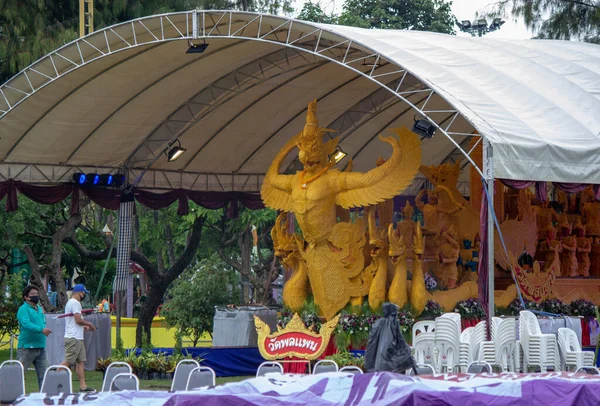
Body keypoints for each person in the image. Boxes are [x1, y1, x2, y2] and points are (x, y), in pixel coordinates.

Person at [61, 284, 96, 392]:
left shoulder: (71, 303)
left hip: (77, 337)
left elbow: (75, 322)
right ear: (78, 292)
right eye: (83, 293)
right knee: (68, 361)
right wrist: (89, 324)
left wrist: (84, 327)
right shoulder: (75, 303)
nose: (84, 295)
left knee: (80, 361)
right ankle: (53, 380)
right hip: (73, 338)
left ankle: (83, 387)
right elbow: (78, 320)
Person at [364, 303, 416, 374]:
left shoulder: (378, 323)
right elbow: (399, 340)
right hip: (388, 362)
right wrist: (407, 350)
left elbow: (371, 343)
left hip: (376, 363)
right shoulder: (392, 322)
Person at [16, 286, 51, 390]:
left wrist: (43, 329)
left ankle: (44, 399)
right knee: (18, 374)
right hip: (26, 348)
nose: (36, 296)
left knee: (45, 375)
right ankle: (9, 397)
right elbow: (26, 324)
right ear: (26, 297)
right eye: (33, 294)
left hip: (40, 347)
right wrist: (41, 329)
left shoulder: (39, 308)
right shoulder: (23, 309)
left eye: (37, 293)